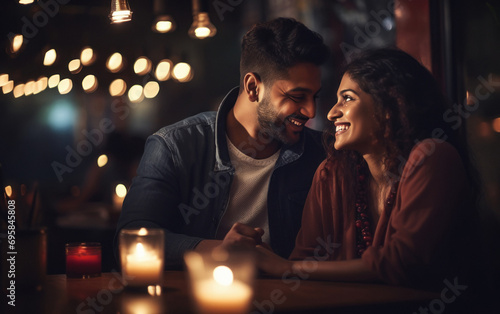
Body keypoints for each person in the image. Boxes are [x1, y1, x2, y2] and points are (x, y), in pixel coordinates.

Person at [256, 48, 479, 291]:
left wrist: (283, 267)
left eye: (348, 98)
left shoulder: (432, 157)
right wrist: (263, 254)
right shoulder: (331, 174)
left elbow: (403, 264)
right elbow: (306, 263)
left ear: (392, 104)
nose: (332, 113)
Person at [115, 18, 330, 267]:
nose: (311, 111)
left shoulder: (321, 153)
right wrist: (216, 250)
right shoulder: (175, 146)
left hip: (294, 302)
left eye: (314, 97)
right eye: (297, 96)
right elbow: (128, 240)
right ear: (253, 87)